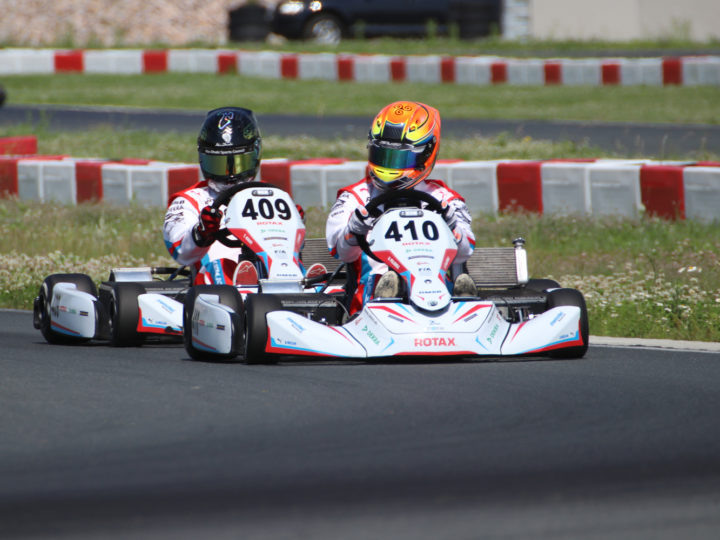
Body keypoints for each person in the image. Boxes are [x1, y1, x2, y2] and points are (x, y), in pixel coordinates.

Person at [326, 100, 477, 315]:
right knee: (383, 282)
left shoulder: (445, 199)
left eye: (399, 158)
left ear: (426, 154)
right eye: (382, 156)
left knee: (456, 281)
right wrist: (353, 230)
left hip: (437, 295)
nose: (389, 167)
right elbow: (342, 253)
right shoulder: (354, 198)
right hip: (370, 304)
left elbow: (465, 252)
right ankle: (390, 292)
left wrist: (453, 228)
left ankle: (459, 302)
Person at [164, 106, 322, 285]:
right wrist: (202, 233)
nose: (230, 175)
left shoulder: (272, 196)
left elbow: (289, 247)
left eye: (238, 163)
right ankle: (244, 280)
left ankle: (305, 283)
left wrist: (295, 226)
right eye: (219, 164)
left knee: (307, 274)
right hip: (216, 285)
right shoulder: (190, 201)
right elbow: (180, 252)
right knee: (222, 267)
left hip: (272, 273)